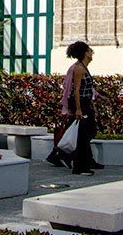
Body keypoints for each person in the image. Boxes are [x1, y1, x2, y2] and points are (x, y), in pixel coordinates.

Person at [47, 40, 103, 175]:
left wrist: (94, 103)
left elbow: (87, 89)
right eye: (89, 50)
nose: (92, 52)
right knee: (82, 135)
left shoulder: (83, 67)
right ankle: (78, 165)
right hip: (80, 103)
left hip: (85, 103)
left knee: (88, 131)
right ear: (84, 53)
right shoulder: (78, 68)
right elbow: (76, 90)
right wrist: (78, 109)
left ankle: (68, 157)